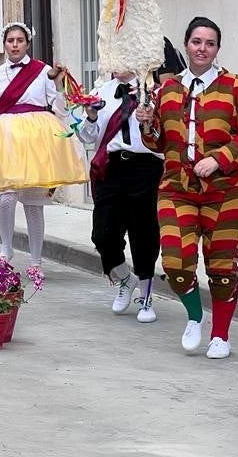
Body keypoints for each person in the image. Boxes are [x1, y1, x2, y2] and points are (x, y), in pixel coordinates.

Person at [136, 16, 238, 359]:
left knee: (221, 265)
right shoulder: (166, 90)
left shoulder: (237, 87)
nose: (202, 48)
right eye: (196, 42)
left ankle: (220, 334)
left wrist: (220, 159)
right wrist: (147, 125)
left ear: (217, 49)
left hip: (229, 190)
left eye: (209, 43)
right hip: (177, 187)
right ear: (187, 45)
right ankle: (194, 316)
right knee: (176, 262)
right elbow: (158, 143)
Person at [0, 22, 88, 271]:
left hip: (36, 141)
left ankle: (36, 261)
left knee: (33, 204)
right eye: (10, 40)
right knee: (5, 198)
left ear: (27, 43)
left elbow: (59, 109)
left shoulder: (43, 71)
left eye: (19, 40)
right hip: (4, 140)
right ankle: (6, 247)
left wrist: (60, 87)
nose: (15, 45)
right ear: (4, 44)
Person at [79, 70, 163, 324]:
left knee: (144, 234)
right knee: (102, 234)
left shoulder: (155, 91)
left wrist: (151, 118)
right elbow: (86, 136)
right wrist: (91, 115)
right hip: (111, 166)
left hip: (146, 167)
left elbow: (166, 136)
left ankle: (146, 297)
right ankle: (125, 278)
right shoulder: (102, 90)